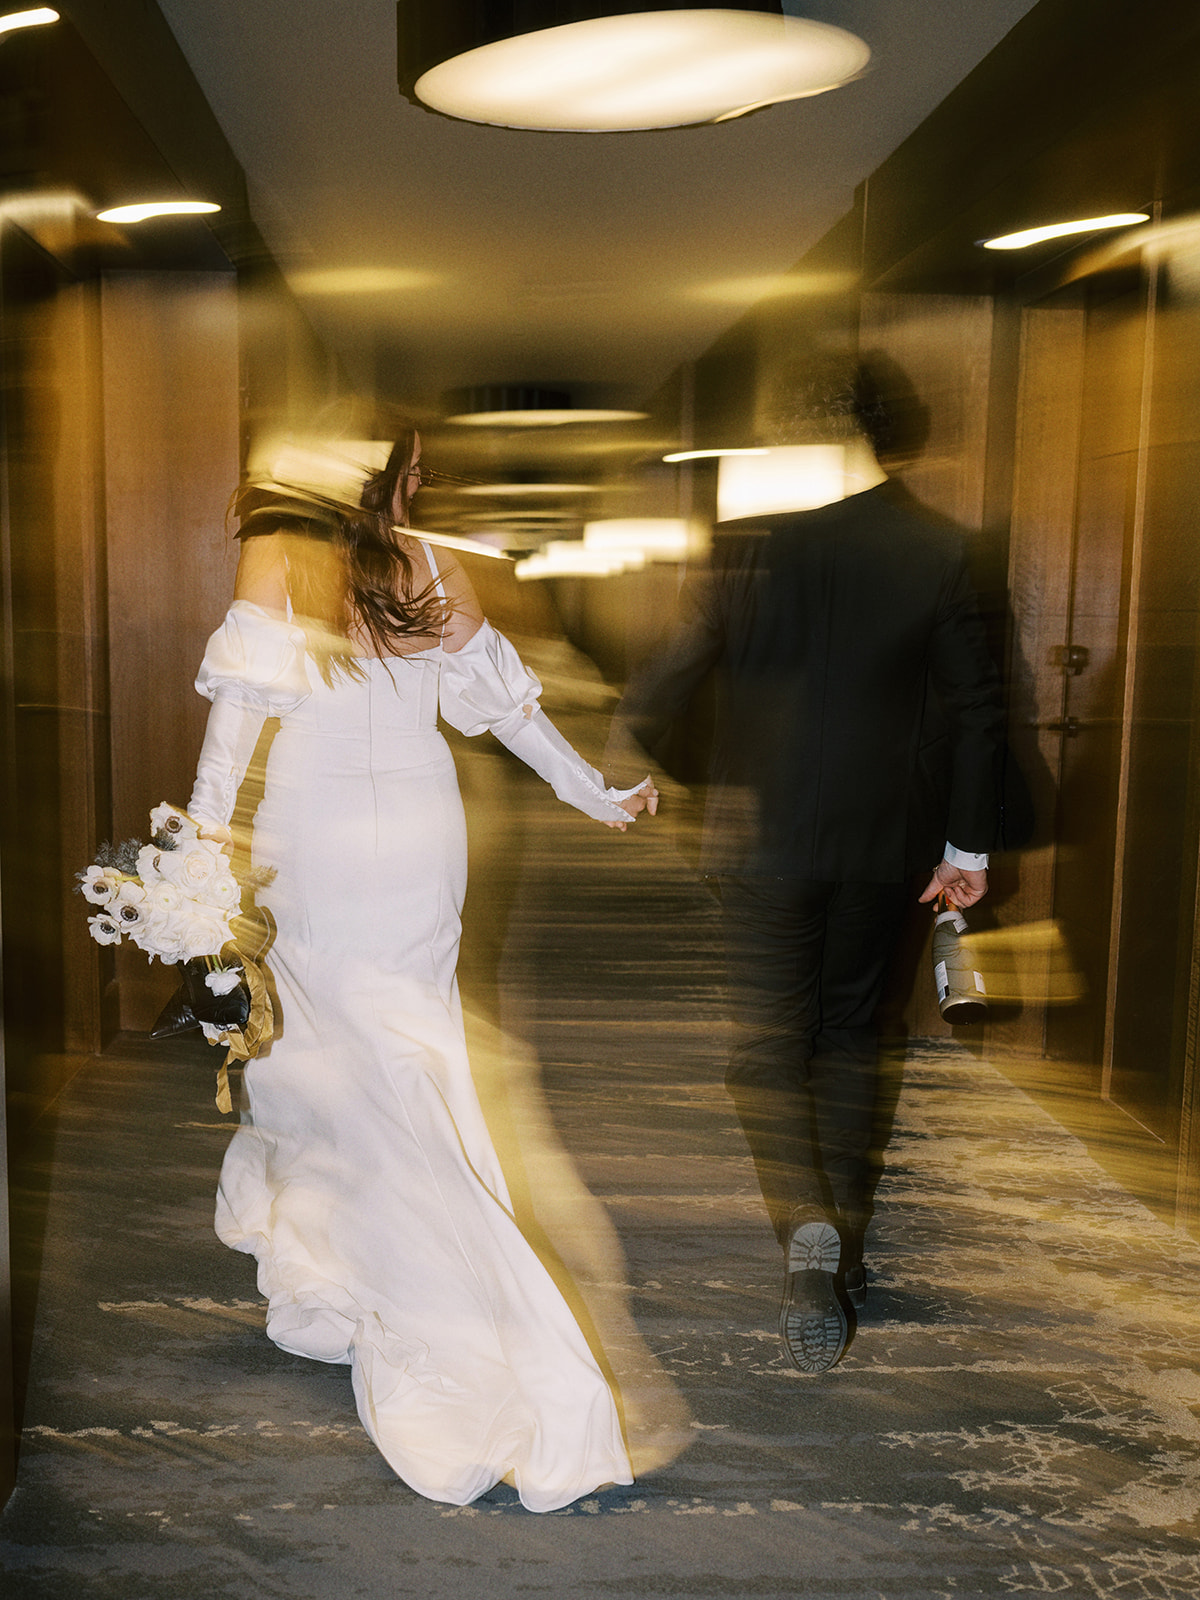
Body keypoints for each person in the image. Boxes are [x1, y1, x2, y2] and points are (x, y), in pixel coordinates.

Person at [184, 425, 657, 1512]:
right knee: (410, 1053)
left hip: (322, 839)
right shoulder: (429, 562)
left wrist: (200, 857)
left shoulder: (278, 555)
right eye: (416, 471)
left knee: (329, 1060)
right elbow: (508, 711)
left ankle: (419, 1290)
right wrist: (597, 792)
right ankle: (368, 1272)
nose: (424, 486)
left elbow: (236, 725)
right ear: (393, 482)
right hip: (417, 838)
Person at [606, 362, 1015, 1377]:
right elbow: (977, 712)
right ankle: (846, 1248)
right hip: (887, 840)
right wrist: (966, 848)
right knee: (848, 1035)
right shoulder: (942, 548)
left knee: (767, 1044)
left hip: (764, 837)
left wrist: (668, 773)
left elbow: (669, 674)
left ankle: (804, 1224)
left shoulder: (751, 548)